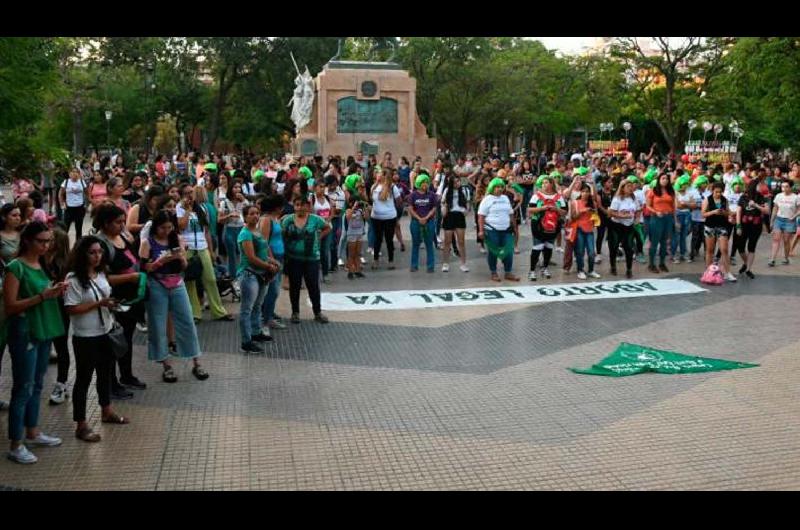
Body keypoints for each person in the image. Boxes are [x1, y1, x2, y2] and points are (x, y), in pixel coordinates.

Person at [3, 222, 67, 464]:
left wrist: (54, 291)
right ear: (28, 240)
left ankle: (33, 431)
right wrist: (43, 296)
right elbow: (11, 306)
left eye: (48, 241)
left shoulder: (41, 265)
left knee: (38, 383)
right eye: (41, 241)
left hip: (43, 329)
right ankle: (15, 443)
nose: (46, 245)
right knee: (23, 387)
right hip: (25, 332)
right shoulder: (15, 267)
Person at [64, 236, 131, 442]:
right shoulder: (73, 279)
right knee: (83, 379)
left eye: (99, 252)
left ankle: (106, 410)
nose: (96, 256)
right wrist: (98, 304)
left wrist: (109, 304)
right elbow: (71, 308)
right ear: (82, 253)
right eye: (92, 252)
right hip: (86, 336)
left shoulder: (101, 272)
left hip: (105, 331)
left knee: (105, 373)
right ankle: (81, 424)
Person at [140, 210, 209, 382]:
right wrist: (160, 262)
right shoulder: (147, 243)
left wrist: (180, 258)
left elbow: (184, 265)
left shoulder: (177, 239)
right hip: (157, 284)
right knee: (158, 324)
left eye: (170, 227)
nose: (166, 231)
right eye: (163, 228)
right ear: (155, 227)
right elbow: (144, 268)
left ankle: (196, 361)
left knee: (187, 321)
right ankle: (166, 364)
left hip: (177, 283)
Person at [176, 184, 233, 322]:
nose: (190, 195)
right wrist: (188, 210)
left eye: (191, 192)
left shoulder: (201, 208)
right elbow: (181, 226)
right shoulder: (179, 208)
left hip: (202, 246)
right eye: (187, 193)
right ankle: (195, 313)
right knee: (191, 282)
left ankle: (218, 311)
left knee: (211, 278)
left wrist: (211, 249)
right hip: (188, 247)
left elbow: (206, 231)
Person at [281, 196, 331, 324]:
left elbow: (328, 227)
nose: (299, 208)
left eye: (302, 205)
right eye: (297, 205)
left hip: (311, 259)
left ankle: (317, 312)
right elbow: (282, 233)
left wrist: (319, 237)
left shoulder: (315, 219)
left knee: (313, 285)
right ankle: (295, 312)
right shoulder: (287, 220)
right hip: (293, 259)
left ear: (308, 206)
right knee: (295, 286)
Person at [237, 205, 278, 353]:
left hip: (261, 273)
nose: (255, 216)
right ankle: (246, 341)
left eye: (257, 213)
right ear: (245, 217)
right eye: (252, 214)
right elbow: (251, 257)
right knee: (247, 308)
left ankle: (256, 332)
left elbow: (262, 252)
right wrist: (268, 266)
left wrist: (271, 262)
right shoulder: (245, 234)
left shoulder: (258, 231)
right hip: (249, 274)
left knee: (257, 305)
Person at [478, 178, 520, 282]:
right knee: (493, 252)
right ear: (492, 187)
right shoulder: (487, 199)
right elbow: (481, 216)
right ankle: (493, 272)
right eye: (497, 187)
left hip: (506, 229)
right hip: (492, 229)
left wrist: (514, 227)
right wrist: (481, 231)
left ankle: (508, 272)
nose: (500, 189)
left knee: (508, 251)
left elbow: (511, 213)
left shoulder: (505, 198)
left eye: (501, 187)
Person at [527, 175, 567, 281]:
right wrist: (542, 208)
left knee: (549, 247)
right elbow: (530, 209)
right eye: (543, 183)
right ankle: (532, 270)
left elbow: (564, 212)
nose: (544, 185)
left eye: (546, 182)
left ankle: (545, 268)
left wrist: (555, 209)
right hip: (538, 225)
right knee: (537, 247)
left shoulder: (559, 197)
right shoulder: (536, 196)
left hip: (553, 225)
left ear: (551, 184)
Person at [259, 194, 287, 332]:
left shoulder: (275, 219)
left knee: (273, 289)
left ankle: (268, 313)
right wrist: (271, 260)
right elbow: (264, 242)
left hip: (279, 256)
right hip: (273, 258)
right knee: (273, 290)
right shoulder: (266, 220)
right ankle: (266, 319)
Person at [702, 182, 736, 281]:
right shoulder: (707, 200)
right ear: (712, 191)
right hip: (710, 226)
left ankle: (727, 272)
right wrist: (714, 212)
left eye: (720, 192)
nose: (718, 194)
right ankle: (709, 271)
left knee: (724, 249)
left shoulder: (724, 200)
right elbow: (703, 214)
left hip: (722, 226)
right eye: (716, 192)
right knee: (710, 250)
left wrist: (727, 214)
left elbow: (728, 212)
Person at [369, 168, 401, 270]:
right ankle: (375, 260)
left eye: (379, 173)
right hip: (376, 217)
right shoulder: (374, 186)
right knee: (377, 239)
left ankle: (391, 261)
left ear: (383, 176)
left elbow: (399, 201)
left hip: (389, 217)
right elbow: (371, 200)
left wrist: (395, 212)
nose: (377, 175)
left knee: (389, 239)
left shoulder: (392, 187)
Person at [735, 179, 768, 279]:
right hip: (744, 224)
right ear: (753, 186)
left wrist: (756, 205)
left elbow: (767, 211)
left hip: (756, 225)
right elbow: (738, 212)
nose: (760, 187)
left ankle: (748, 269)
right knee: (740, 247)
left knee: (751, 247)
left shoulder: (761, 197)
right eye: (759, 185)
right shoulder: (743, 197)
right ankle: (746, 263)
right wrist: (738, 226)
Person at [608, 178, 639, 279]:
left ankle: (629, 269)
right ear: (622, 188)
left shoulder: (634, 199)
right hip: (616, 226)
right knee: (614, 247)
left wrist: (637, 219)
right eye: (628, 186)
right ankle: (613, 267)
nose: (631, 188)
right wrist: (621, 216)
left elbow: (638, 210)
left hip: (629, 226)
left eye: (631, 186)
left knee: (629, 248)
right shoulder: (617, 199)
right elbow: (610, 212)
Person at [646, 173, 676, 273]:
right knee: (654, 242)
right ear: (659, 180)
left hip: (668, 218)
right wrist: (655, 212)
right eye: (663, 178)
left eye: (667, 179)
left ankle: (662, 263)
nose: (665, 180)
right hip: (656, 218)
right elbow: (648, 206)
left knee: (664, 242)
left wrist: (675, 221)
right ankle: (651, 264)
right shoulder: (653, 191)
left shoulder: (671, 191)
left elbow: (674, 207)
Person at [571, 183, 601, 280]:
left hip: (590, 230)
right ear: (580, 192)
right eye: (583, 191)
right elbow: (573, 217)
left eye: (587, 191)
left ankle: (591, 270)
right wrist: (581, 212)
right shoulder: (575, 202)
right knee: (580, 252)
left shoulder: (593, 203)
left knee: (591, 252)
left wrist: (593, 212)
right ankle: (580, 270)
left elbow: (596, 216)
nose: (585, 193)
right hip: (579, 229)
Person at [440, 173, 469, 272]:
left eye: (459, 181)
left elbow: (467, 203)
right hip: (449, 215)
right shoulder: (447, 190)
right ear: (451, 183)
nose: (458, 183)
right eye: (455, 181)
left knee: (461, 242)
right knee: (447, 242)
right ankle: (445, 263)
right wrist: (444, 209)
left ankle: (463, 264)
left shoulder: (464, 190)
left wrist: (466, 210)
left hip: (460, 215)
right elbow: (443, 202)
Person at [768, 180, 799, 267]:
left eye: (786, 186)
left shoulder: (796, 197)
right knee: (776, 239)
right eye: (782, 186)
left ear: (790, 187)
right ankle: (772, 259)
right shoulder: (778, 196)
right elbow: (775, 208)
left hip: (789, 221)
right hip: (778, 219)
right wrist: (771, 221)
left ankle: (786, 258)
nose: (784, 188)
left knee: (786, 241)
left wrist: (793, 217)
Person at [345, 185, 369, 279]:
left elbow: (367, 218)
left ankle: (358, 270)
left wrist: (365, 209)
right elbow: (348, 217)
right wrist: (353, 208)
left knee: (358, 253)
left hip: (359, 233)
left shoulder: (360, 210)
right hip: (351, 234)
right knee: (351, 254)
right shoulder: (348, 210)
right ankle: (351, 271)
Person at [311, 180, 334, 282]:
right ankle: (314, 274)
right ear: (315, 187)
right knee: (316, 252)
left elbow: (332, 212)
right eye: (320, 186)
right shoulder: (312, 198)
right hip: (316, 229)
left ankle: (325, 274)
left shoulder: (328, 198)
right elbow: (311, 213)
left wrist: (327, 220)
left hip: (327, 228)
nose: (322, 189)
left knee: (325, 251)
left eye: (324, 186)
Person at [671, 175, 694, 263]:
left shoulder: (689, 193)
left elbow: (694, 205)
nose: (686, 185)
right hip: (678, 215)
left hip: (687, 215)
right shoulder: (675, 193)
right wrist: (688, 204)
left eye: (686, 184)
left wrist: (685, 204)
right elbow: (678, 206)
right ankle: (674, 255)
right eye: (684, 184)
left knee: (684, 236)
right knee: (676, 236)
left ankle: (683, 254)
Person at [688, 176, 709, 263]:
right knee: (695, 237)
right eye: (704, 183)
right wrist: (698, 206)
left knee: (705, 238)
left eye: (706, 183)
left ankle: (706, 255)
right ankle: (692, 255)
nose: (705, 185)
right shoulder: (692, 193)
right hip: (695, 218)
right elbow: (690, 205)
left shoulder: (708, 194)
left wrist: (699, 206)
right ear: (699, 184)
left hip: (705, 219)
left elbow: (709, 206)